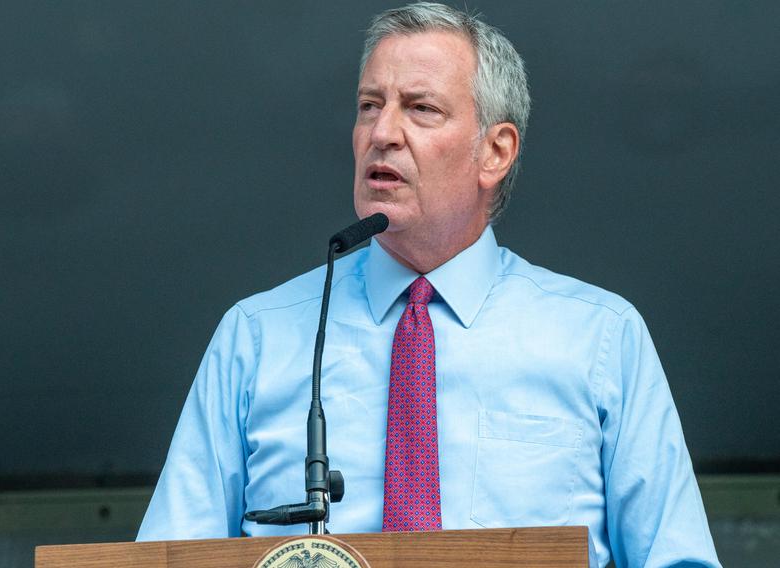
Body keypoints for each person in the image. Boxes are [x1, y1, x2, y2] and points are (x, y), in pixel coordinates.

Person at [138, 3, 721, 566]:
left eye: (421, 108)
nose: (382, 132)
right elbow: (160, 562)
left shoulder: (600, 337)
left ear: (495, 152)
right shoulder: (257, 336)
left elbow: (679, 561)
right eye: (369, 105)